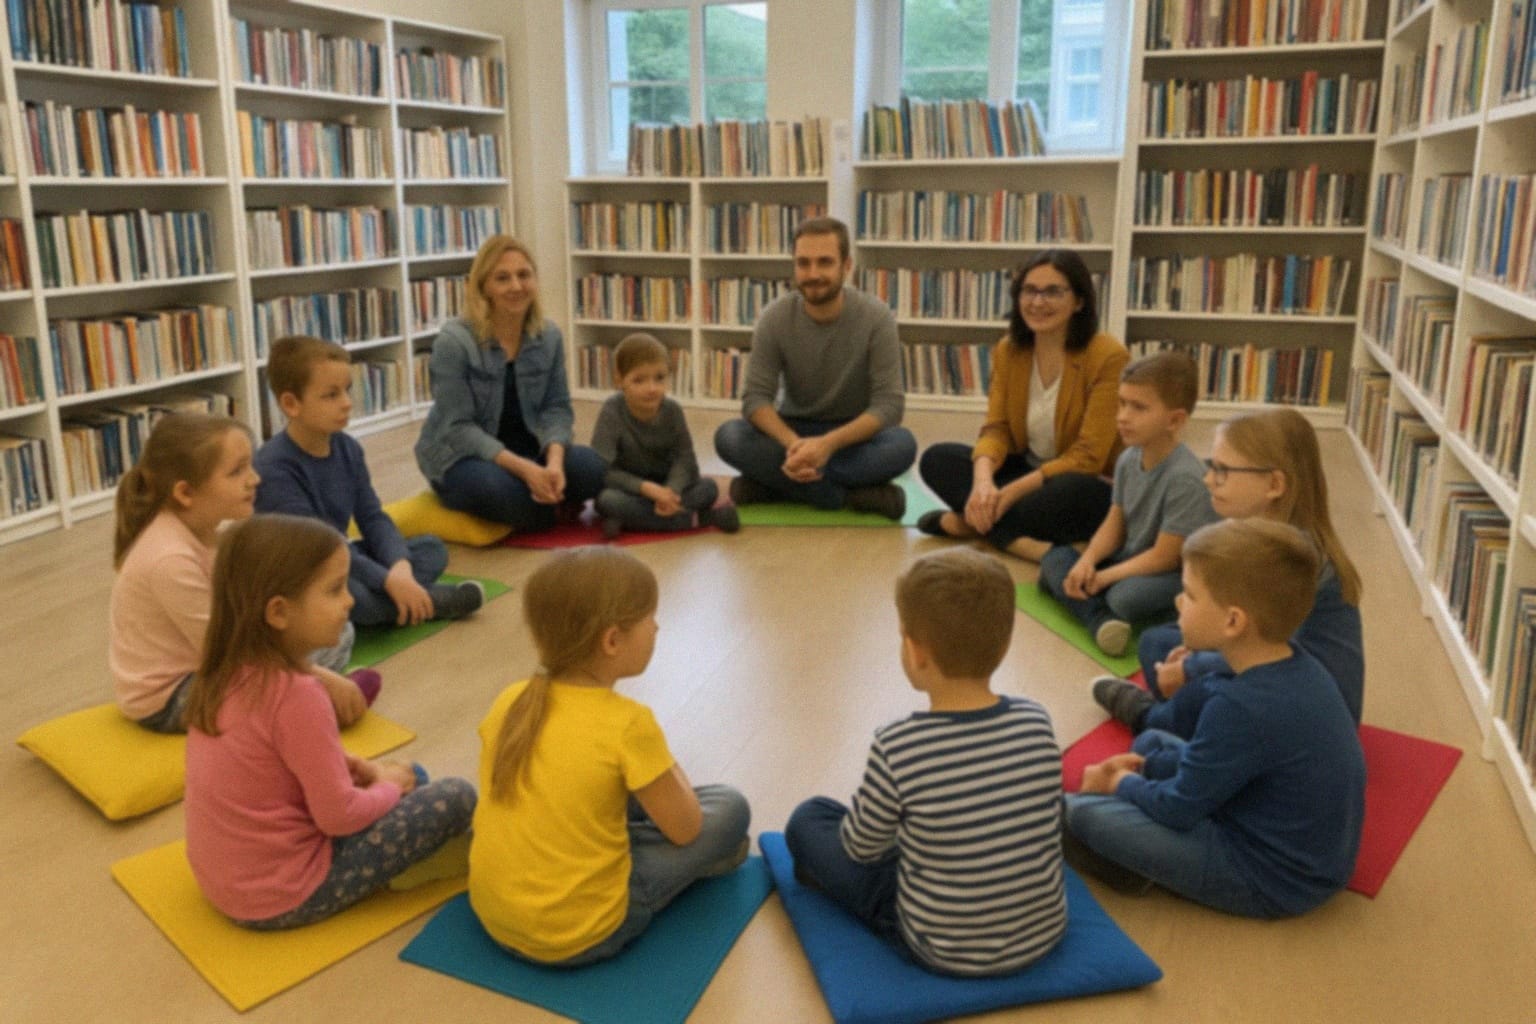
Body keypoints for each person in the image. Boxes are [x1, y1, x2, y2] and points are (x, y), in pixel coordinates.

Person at [1063, 518, 1366, 919]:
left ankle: (1133, 865)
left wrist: (1120, 782)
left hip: (1272, 879)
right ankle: (1138, 855)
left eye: (1189, 594)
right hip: (1305, 848)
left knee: (1080, 812)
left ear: (1234, 622)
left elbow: (1175, 808)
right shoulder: (1293, 662)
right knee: (1152, 744)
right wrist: (1146, 769)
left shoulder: (1241, 707)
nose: (1177, 603)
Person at [183, 514, 476, 929]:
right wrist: (388, 786)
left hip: (224, 881)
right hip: (282, 895)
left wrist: (357, 769)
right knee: (453, 795)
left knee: (409, 778)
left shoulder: (224, 668)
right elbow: (337, 818)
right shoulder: (298, 694)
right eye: (334, 590)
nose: (350, 601)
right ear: (279, 612)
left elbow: (269, 763)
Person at [785, 547, 1067, 976]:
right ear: (1005, 642)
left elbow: (861, 849)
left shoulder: (899, 743)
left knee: (809, 819)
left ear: (916, 652)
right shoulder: (1036, 719)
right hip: (1045, 931)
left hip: (940, 946)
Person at [469, 547, 750, 966]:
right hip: (582, 935)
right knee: (730, 807)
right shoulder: (628, 724)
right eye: (649, 618)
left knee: (603, 797)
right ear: (612, 640)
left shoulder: (512, 699)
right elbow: (687, 829)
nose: (656, 627)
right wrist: (663, 760)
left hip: (495, 916)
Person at [1093, 408, 1365, 736]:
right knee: (1156, 642)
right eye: (1211, 466)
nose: (1208, 479)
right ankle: (1181, 716)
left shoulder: (1296, 560)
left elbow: (1275, 659)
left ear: (1275, 484)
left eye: (1223, 471)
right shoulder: (1263, 537)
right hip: (1280, 681)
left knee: (1188, 672)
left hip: (1309, 711)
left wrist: (1194, 666)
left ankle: (1152, 717)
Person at [109, 413, 374, 733]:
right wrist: (318, 675)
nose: (254, 479)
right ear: (185, 493)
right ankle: (315, 702)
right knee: (302, 666)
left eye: (249, 466)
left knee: (338, 632)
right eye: (236, 472)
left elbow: (239, 609)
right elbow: (228, 652)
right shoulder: (170, 560)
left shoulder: (206, 531)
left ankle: (313, 696)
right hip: (171, 697)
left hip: (209, 663)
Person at [255, 335, 484, 626]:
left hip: (338, 558)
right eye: (331, 395)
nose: (347, 403)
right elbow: (318, 547)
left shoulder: (348, 448)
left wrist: (398, 568)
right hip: (301, 574)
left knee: (431, 549)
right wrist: (387, 579)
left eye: (347, 391)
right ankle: (431, 601)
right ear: (291, 403)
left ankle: (406, 597)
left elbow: (372, 517)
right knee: (357, 599)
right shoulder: (274, 467)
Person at [917, 250, 1128, 562]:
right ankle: (1017, 540)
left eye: (1053, 291)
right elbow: (997, 429)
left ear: (1079, 301)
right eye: (1029, 291)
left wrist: (1010, 493)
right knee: (937, 459)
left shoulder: (1108, 355)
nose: (1037, 302)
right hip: (1028, 468)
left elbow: (1089, 457)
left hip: (1082, 481)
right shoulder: (1010, 350)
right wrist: (983, 483)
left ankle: (972, 525)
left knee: (1067, 494)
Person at [713, 216, 916, 519]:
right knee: (728, 436)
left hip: (852, 437)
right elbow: (755, 400)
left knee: (903, 444)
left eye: (824, 262)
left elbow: (889, 406)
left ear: (846, 267)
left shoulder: (877, 317)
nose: (813, 274)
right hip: (793, 432)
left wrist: (828, 446)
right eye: (803, 263)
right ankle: (846, 495)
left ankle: (773, 488)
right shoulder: (774, 317)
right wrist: (796, 446)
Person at [415, 235, 604, 532]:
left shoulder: (549, 336)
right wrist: (527, 471)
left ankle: (542, 496)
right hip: (463, 456)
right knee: (518, 503)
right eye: (502, 278)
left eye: (523, 275)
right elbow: (458, 428)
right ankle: (541, 503)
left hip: (528, 447)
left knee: (596, 468)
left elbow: (557, 408)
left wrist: (553, 464)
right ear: (484, 287)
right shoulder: (454, 342)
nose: (516, 286)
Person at [1037, 351, 1218, 656]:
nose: (1122, 416)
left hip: (1173, 574)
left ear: (1175, 420)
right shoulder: (1127, 457)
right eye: (1122, 403)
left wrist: (1105, 576)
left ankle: (1100, 611)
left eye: (1138, 407)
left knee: (1123, 598)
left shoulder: (1185, 477)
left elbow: (1165, 557)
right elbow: (1114, 522)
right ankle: (1101, 621)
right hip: (1132, 559)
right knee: (1056, 560)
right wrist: (1088, 560)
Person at [591, 332, 740, 539]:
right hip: (633, 491)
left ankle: (630, 521)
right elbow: (602, 470)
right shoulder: (612, 411)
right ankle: (700, 519)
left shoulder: (673, 411)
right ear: (619, 380)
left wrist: (671, 490)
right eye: (639, 380)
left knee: (709, 488)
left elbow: (686, 460)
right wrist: (647, 489)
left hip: (670, 490)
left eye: (659, 378)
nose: (652, 388)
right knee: (606, 500)